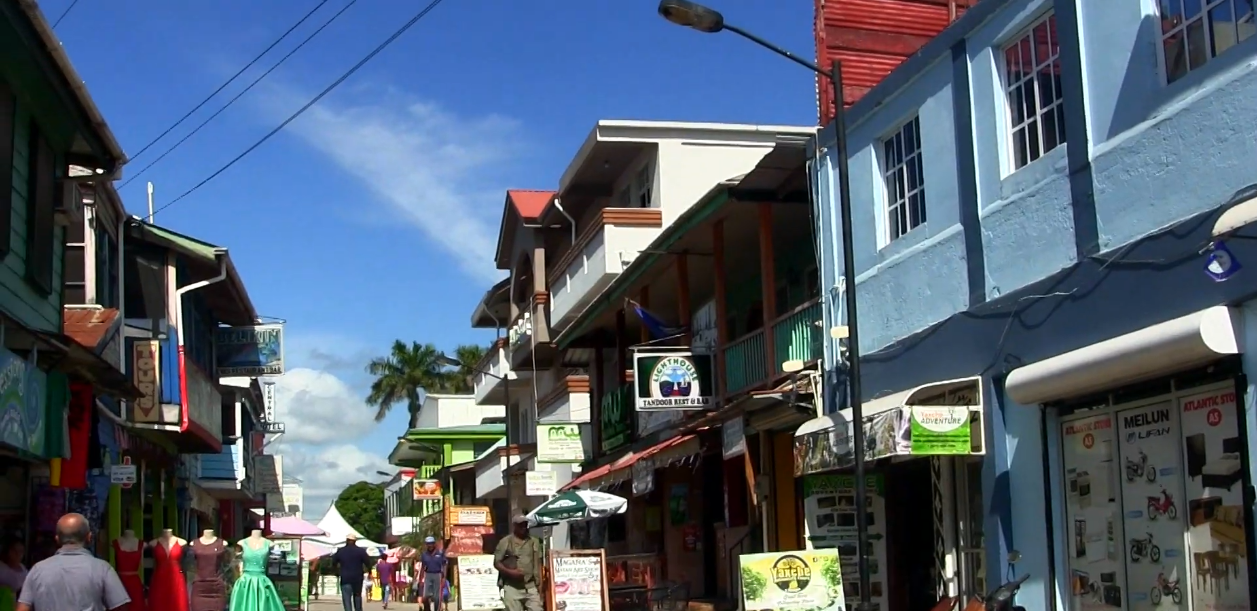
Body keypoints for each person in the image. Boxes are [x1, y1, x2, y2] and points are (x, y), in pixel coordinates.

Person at [17, 513, 131, 611]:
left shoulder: (38, 570)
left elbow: (23, 608)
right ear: (89, 537)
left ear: (57, 539)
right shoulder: (103, 569)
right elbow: (120, 607)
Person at [493, 515, 543, 611]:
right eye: (520, 525)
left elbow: (538, 563)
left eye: (525, 524)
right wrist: (511, 572)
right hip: (512, 587)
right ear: (514, 526)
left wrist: (540, 586)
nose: (523, 527)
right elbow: (496, 562)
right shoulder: (505, 542)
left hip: (530, 586)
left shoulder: (534, 541)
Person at [330, 534, 370, 611]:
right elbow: (368, 562)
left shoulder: (341, 551)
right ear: (355, 541)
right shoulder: (361, 551)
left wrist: (336, 572)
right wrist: (369, 571)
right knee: (357, 596)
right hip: (357, 578)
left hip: (345, 578)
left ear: (346, 541)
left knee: (346, 598)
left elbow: (333, 562)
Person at [417, 536, 447, 611]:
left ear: (434, 544)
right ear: (426, 545)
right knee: (425, 596)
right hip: (428, 575)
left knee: (437, 597)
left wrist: (444, 577)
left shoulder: (440, 553)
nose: (430, 545)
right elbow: (423, 567)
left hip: (438, 575)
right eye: (428, 544)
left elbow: (444, 565)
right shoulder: (424, 554)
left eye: (431, 543)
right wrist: (420, 579)